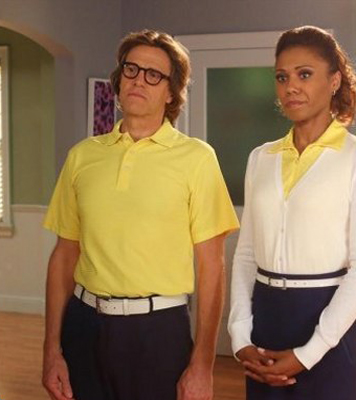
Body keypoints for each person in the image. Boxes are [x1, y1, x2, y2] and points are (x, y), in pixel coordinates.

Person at [42, 30, 239, 400]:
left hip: (158, 332)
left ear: (171, 92)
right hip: (84, 325)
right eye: (131, 69)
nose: (138, 80)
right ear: (119, 79)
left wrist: (203, 364)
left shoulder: (197, 159)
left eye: (154, 74)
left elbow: (212, 266)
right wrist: (51, 349)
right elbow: (64, 255)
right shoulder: (82, 156)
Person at [228, 26, 356, 400]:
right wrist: (239, 336)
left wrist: (308, 353)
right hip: (267, 323)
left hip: (328, 324)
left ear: (334, 81)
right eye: (282, 77)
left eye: (304, 74)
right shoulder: (260, 158)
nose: (291, 87)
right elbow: (246, 255)